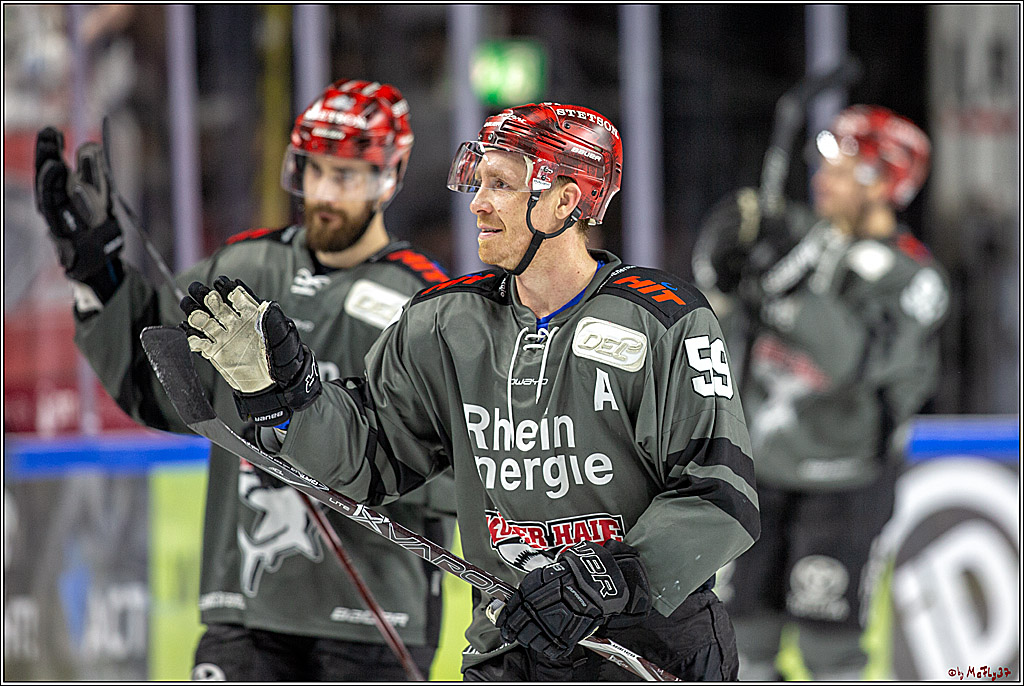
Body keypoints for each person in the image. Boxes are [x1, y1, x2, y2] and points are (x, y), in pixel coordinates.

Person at [175, 102, 760, 681]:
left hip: (648, 652)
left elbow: (721, 496)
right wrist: (285, 398)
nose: (478, 203)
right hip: (509, 646)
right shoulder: (444, 322)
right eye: (478, 181)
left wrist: (609, 578)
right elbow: (370, 456)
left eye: (502, 184)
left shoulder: (663, 320)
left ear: (566, 200)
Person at [34, 79, 455, 681]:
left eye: (347, 175)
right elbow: (150, 377)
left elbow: (450, 458)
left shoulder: (423, 303)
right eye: (314, 171)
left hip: (373, 611)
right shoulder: (243, 267)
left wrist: (325, 434)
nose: (325, 193)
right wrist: (94, 271)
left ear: (390, 176)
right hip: (245, 608)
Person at [695, 105, 949, 680]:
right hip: (757, 476)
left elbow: (848, 358)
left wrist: (780, 286)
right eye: (827, 165)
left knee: (827, 648)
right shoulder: (802, 238)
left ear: (886, 184)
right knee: (740, 639)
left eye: (844, 169)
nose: (823, 180)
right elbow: (729, 337)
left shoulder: (915, 280)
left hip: (844, 483)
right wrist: (723, 279)